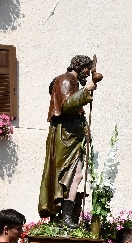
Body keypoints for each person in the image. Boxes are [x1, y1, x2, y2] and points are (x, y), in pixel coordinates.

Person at [38, 55, 97, 228]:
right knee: (64, 176)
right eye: (87, 68)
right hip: (64, 138)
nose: (88, 72)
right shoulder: (65, 80)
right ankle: (62, 217)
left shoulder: (74, 83)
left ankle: (67, 215)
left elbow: (77, 112)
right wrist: (87, 91)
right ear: (79, 66)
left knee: (77, 175)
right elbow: (65, 106)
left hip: (74, 138)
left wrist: (86, 131)